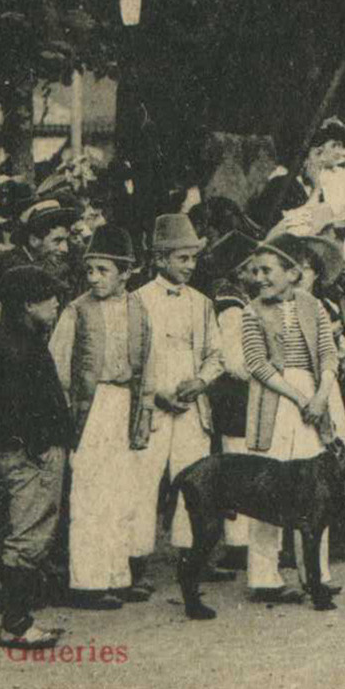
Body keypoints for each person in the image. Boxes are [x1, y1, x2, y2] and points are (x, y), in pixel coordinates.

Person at [46, 224, 155, 610]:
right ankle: (88, 582)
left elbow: (148, 365)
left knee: (121, 492)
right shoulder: (76, 311)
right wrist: (67, 417)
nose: (94, 278)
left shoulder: (138, 309)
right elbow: (58, 367)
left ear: (126, 273)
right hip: (90, 409)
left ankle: (116, 575)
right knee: (90, 493)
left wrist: (144, 412)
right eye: (90, 270)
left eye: (103, 270)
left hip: (124, 404)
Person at [236, 235, 342, 602]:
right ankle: (265, 577)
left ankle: (317, 574)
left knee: (316, 489)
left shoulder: (313, 306)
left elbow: (329, 355)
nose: (259, 277)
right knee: (266, 489)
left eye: (268, 270)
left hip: (314, 399)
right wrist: (300, 398)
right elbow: (257, 364)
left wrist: (320, 396)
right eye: (255, 271)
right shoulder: (251, 311)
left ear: (292, 273)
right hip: (274, 403)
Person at [0, 266, 74, 651]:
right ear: (27, 304)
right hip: (32, 454)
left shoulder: (20, 338)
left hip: (32, 450)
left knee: (30, 531)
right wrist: (39, 447)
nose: (56, 303)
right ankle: (16, 625)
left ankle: (19, 620)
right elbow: (19, 407)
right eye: (48, 297)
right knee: (29, 533)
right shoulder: (19, 348)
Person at [134, 212, 222, 568]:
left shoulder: (201, 303)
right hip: (152, 405)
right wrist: (154, 393)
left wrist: (202, 380)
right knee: (143, 479)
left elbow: (217, 354)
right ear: (159, 259)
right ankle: (135, 559)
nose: (190, 266)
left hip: (190, 406)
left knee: (196, 479)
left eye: (193, 258)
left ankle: (192, 555)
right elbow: (130, 358)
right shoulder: (136, 301)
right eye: (182, 258)